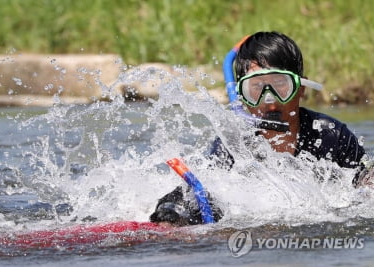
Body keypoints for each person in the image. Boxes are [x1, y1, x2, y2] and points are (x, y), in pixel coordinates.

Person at [150, 31, 372, 226]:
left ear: (301, 89)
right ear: (242, 97)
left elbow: (365, 182)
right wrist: (174, 212)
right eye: (256, 88)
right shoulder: (234, 144)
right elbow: (202, 192)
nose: (270, 101)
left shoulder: (330, 135)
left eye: (280, 86)